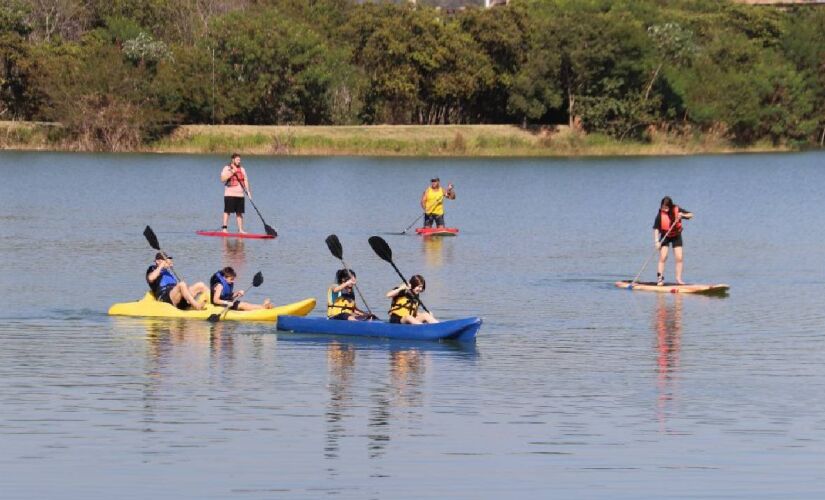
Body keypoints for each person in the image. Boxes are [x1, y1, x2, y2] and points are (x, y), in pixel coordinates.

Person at [653, 196, 694, 286]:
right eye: (663, 207)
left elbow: (691, 215)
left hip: (676, 235)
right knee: (663, 257)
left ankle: (678, 279)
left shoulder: (677, 209)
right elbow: (656, 228)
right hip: (665, 236)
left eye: (666, 207)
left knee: (679, 257)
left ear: (670, 206)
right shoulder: (660, 215)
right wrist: (656, 241)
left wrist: (682, 215)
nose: (664, 209)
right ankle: (660, 279)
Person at [220, 153, 251, 233]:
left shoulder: (242, 169)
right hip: (229, 194)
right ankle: (224, 229)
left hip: (240, 195)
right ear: (233, 160)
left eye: (239, 160)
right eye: (237, 160)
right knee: (227, 211)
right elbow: (222, 179)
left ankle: (240, 230)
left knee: (239, 213)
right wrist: (232, 172)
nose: (239, 161)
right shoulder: (227, 168)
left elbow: (246, 180)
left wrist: (248, 192)